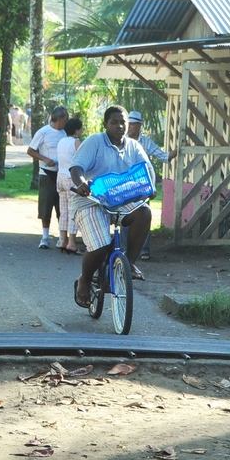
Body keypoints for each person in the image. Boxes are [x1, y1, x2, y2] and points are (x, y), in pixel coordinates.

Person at [70, 105, 153, 308]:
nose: (119, 126)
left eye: (123, 121)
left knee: (144, 212)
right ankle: (85, 280)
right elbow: (76, 167)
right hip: (92, 199)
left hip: (121, 198)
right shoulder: (95, 142)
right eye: (114, 122)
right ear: (105, 124)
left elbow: (147, 170)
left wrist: (150, 186)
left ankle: (129, 263)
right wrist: (81, 183)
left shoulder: (134, 146)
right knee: (101, 245)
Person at [126, 110, 170, 260]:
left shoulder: (146, 142)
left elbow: (163, 156)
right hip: (125, 183)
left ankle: (144, 249)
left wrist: (178, 151)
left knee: (144, 216)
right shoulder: (121, 140)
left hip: (143, 183)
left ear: (139, 126)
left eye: (133, 124)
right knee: (124, 215)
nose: (130, 127)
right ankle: (125, 249)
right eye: (129, 124)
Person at [26, 106, 69, 249]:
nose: (66, 122)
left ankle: (62, 237)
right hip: (46, 173)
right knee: (46, 205)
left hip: (61, 173)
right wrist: (44, 159)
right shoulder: (43, 132)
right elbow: (31, 150)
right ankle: (45, 236)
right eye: (65, 119)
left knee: (61, 206)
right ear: (58, 119)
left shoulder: (64, 133)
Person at [55, 118, 84, 254]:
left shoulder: (61, 141)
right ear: (77, 130)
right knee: (73, 210)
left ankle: (62, 239)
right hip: (71, 178)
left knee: (63, 210)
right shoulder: (76, 142)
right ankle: (72, 242)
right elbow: (82, 159)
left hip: (60, 177)